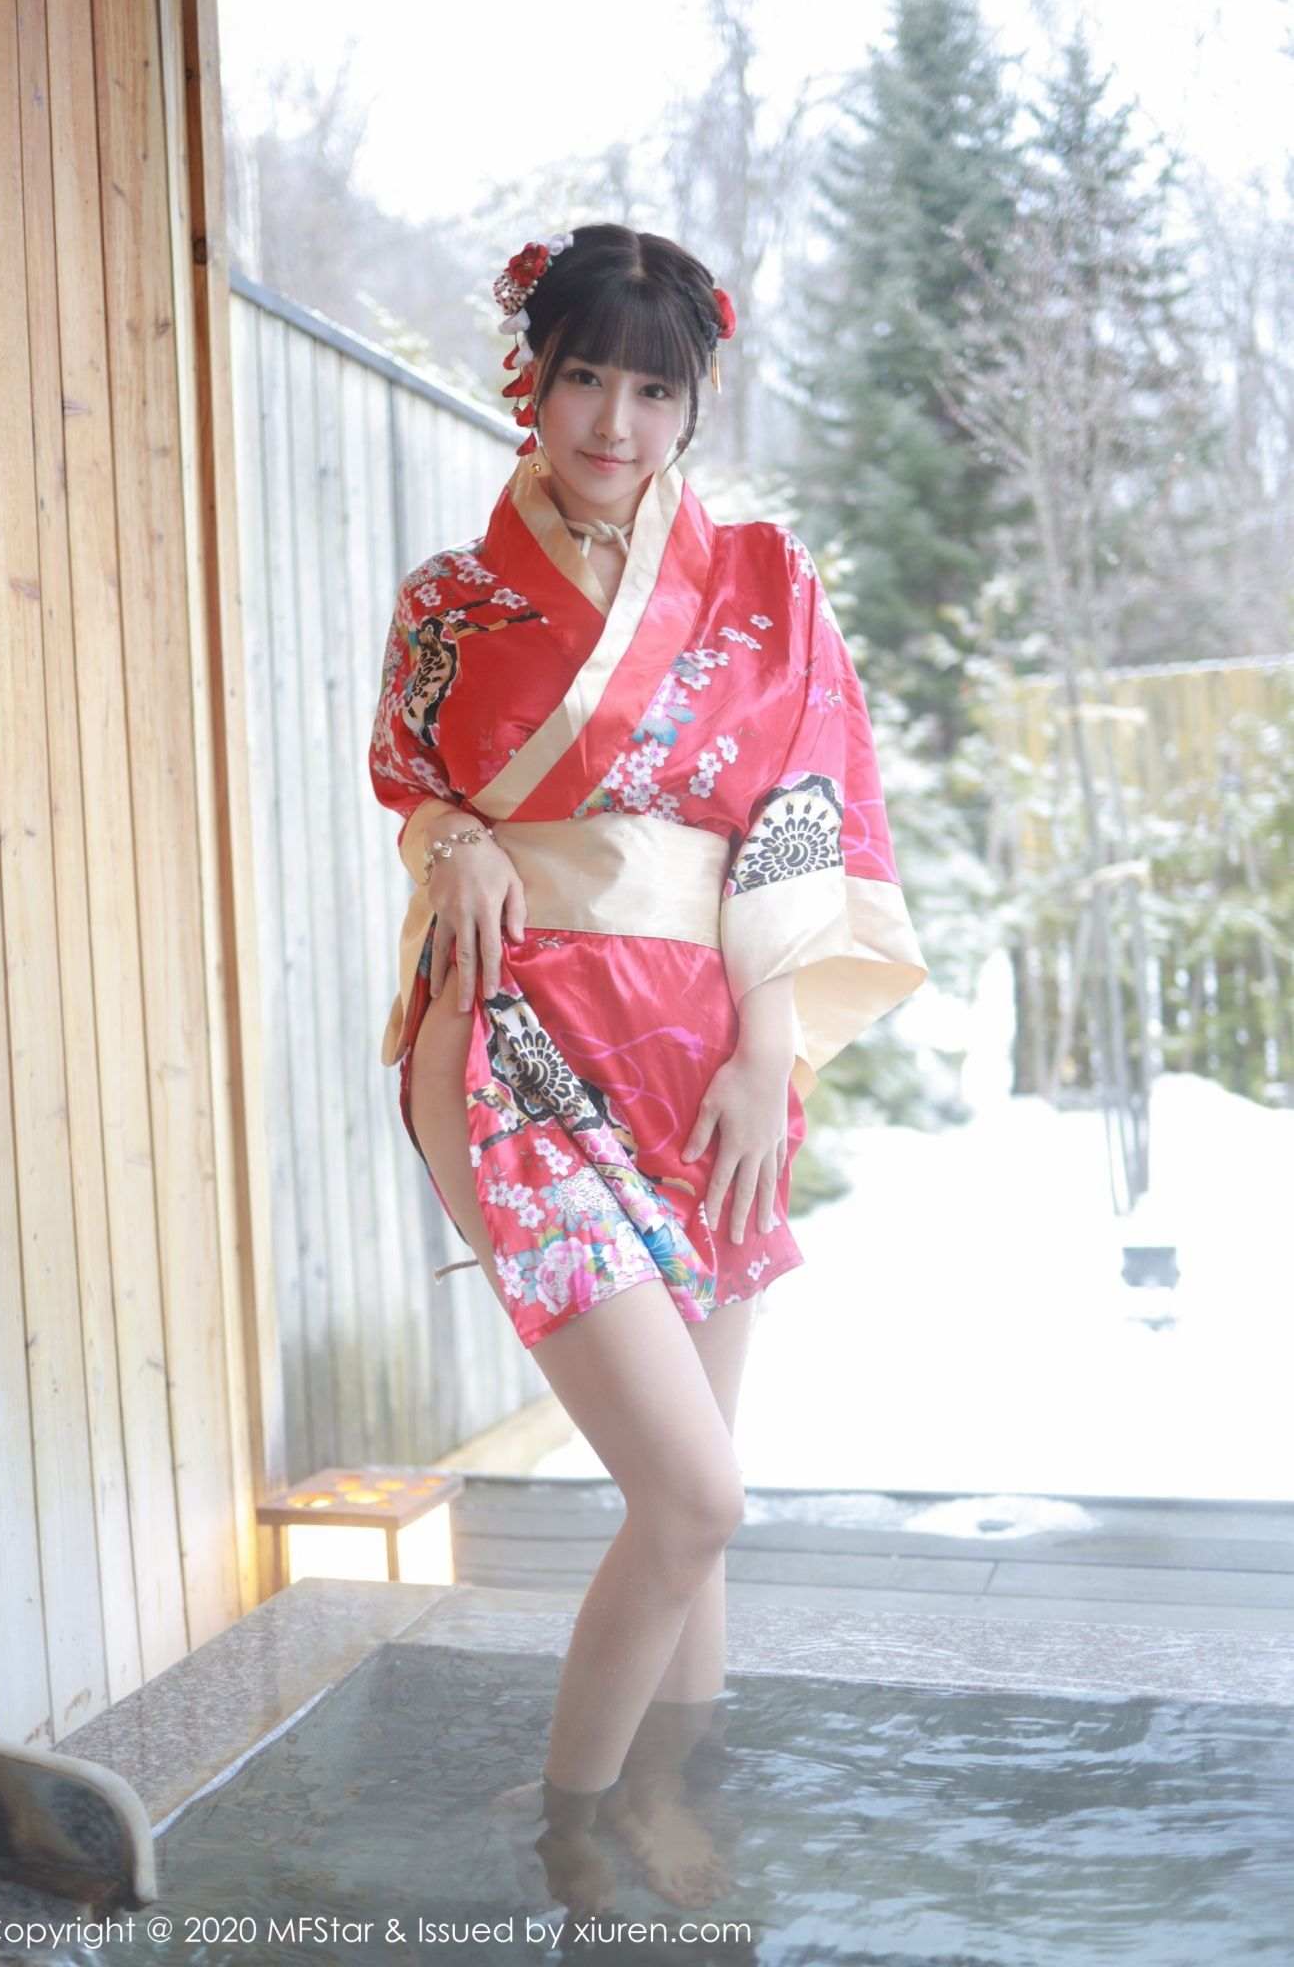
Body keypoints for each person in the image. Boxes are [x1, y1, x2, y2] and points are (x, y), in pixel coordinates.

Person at [367, 223, 927, 1905]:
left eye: (652, 389)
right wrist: (457, 839)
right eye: (583, 377)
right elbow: (414, 787)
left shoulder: (766, 581)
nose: (613, 420)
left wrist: (769, 1049)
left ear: (693, 404)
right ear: (527, 381)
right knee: (692, 1499)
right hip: (511, 1040)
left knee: (700, 1499)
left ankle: (682, 1815)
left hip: (710, 1052)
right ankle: (573, 1836)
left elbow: (806, 819)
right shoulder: (450, 599)